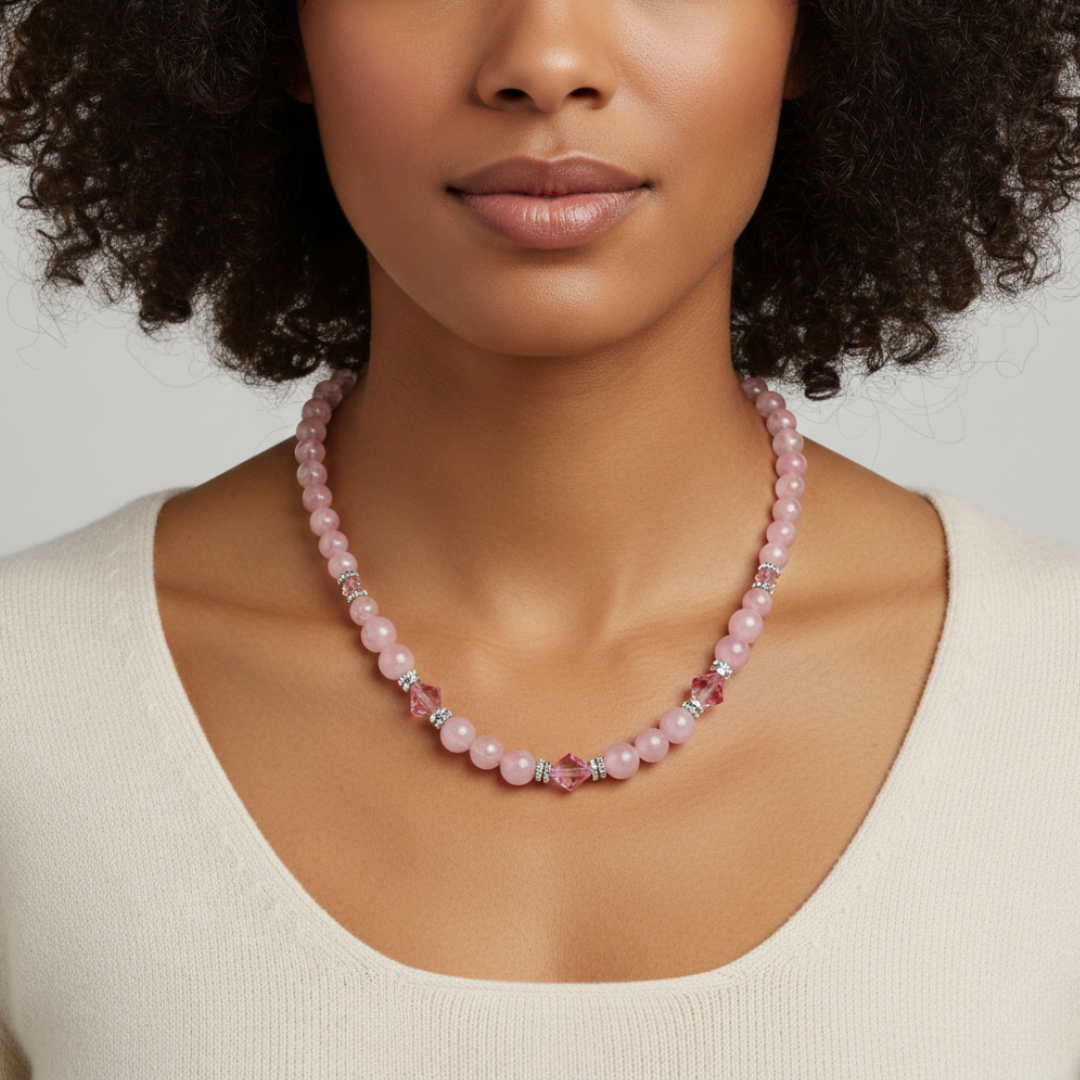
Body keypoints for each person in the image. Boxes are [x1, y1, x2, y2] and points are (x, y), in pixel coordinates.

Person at [1, 0, 1078, 1074]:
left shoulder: (1054, 696)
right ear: (279, 34)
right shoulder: (31, 702)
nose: (545, 62)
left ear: (817, 29)